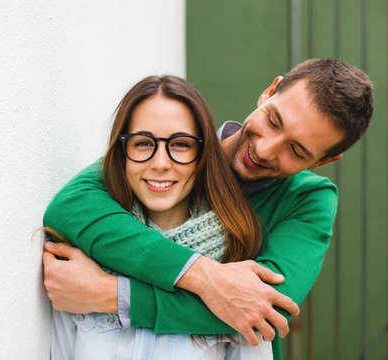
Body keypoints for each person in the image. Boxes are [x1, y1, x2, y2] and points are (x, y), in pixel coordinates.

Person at [43, 58, 374, 359]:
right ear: (269, 91)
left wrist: (112, 294)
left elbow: (262, 311)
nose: (264, 149)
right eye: (273, 121)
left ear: (325, 161)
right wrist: (203, 275)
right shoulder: (181, 150)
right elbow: (71, 205)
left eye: (297, 151)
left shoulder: (308, 200)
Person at [46, 74, 274, 359]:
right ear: (122, 152)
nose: (160, 163)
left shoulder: (236, 270)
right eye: (142, 143)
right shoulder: (81, 266)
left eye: (180, 144)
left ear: (203, 153)